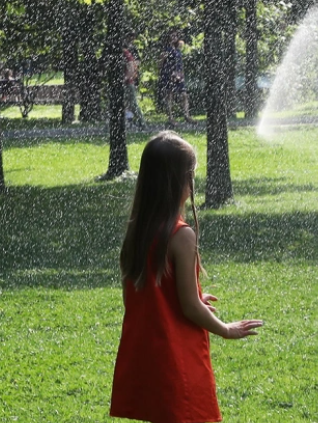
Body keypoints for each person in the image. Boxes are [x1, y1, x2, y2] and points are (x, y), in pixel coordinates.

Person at [110, 131, 263, 423]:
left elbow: (143, 295)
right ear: (178, 181)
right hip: (176, 356)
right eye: (190, 175)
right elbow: (190, 306)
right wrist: (226, 329)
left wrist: (189, 295)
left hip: (149, 358)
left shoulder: (138, 230)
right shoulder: (181, 235)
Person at [158, 31, 194, 126]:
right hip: (168, 75)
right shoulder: (166, 49)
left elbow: (180, 64)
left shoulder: (177, 49)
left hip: (178, 75)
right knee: (169, 96)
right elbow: (160, 65)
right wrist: (162, 59)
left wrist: (182, 74)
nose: (174, 37)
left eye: (176, 36)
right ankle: (171, 118)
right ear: (168, 37)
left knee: (184, 95)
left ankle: (187, 115)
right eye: (172, 35)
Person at [124, 34, 145, 128]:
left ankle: (140, 122)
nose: (131, 39)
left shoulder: (128, 52)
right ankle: (129, 121)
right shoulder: (126, 51)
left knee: (132, 103)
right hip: (129, 79)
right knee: (127, 103)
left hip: (130, 79)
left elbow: (136, 63)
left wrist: (126, 77)